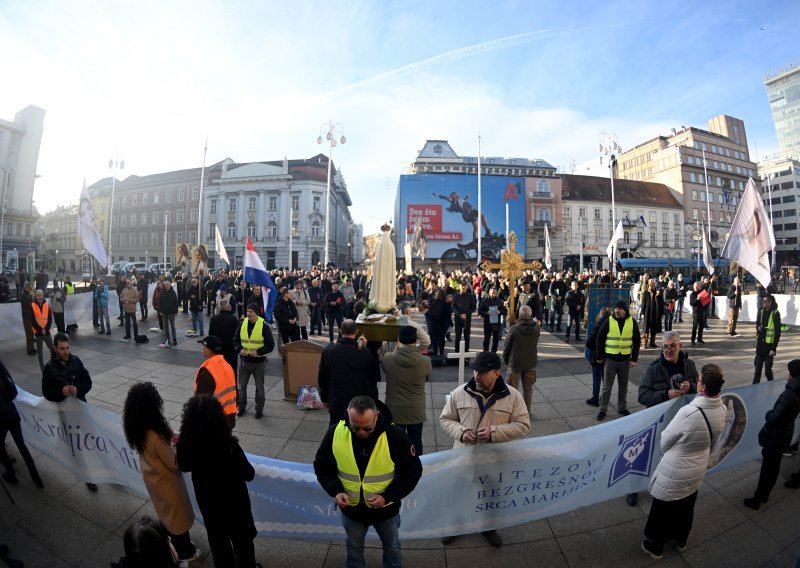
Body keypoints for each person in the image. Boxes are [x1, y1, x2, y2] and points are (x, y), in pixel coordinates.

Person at [314, 395, 422, 568]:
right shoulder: (335, 432)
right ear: (348, 416)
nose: (361, 433)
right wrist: (336, 491)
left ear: (377, 416)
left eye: (367, 428)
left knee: (392, 548)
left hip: (386, 511)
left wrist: (388, 496)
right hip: (352, 511)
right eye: (355, 427)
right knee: (354, 551)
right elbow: (322, 465)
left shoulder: (395, 436)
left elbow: (413, 471)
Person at [439, 351, 530, 547]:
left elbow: (523, 425)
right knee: (459, 493)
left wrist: (493, 432)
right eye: (475, 371)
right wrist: (462, 432)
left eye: (482, 372)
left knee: (492, 494)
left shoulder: (513, 396)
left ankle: (489, 527)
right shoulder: (459, 393)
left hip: (494, 461)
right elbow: (446, 419)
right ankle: (456, 525)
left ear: (496, 373)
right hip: (464, 458)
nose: (476, 376)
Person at [641, 363, 727, 560]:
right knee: (686, 506)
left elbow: (665, 441)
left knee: (662, 508)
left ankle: (656, 547)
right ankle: (680, 539)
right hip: (697, 468)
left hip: (676, 468)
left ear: (703, 387)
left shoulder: (689, 412)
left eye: (698, 380)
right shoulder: (722, 408)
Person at [176, 395, 260, 568]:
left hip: (209, 504)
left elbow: (184, 466)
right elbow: (249, 474)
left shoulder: (187, 442)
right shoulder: (229, 445)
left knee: (218, 544)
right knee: (242, 544)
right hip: (234, 505)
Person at [122, 383, 200, 564]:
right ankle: (184, 551)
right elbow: (174, 463)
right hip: (167, 482)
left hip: (153, 478)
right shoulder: (156, 433)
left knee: (165, 513)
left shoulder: (136, 426)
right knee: (177, 517)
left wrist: (171, 435)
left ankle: (172, 542)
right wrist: (179, 445)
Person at [41, 332, 97, 492]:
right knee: (76, 446)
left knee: (94, 438)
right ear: (55, 349)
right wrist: (61, 391)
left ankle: (111, 470)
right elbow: (46, 391)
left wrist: (78, 389)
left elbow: (88, 381)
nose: (66, 352)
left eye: (67, 348)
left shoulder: (76, 361)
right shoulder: (49, 368)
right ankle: (88, 477)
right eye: (62, 349)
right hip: (65, 414)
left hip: (80, 407)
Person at [743, 359, 800, 510]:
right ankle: (764, 494)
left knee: (768, 468)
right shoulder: (796, 391)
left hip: (777, 436)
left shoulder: (789, 394)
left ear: (793, 375)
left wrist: (768, 414)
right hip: (786, 433)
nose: (786, 373)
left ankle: (759, 498)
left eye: (788, 371)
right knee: (774, 465)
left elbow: (775, 417)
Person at [318, 319, 380, 427]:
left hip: (336, 400)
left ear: (341, 331)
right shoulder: (365, 353)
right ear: (356, 332)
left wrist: (324, 398)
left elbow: (322, 377)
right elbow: (374, 377)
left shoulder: (329, 351)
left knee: (335, 431)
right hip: (358, 404)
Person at [381, 326, 432, 454]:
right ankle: (416, 468)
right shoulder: (425, 361)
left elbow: (386, 369)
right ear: (416, 340)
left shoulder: (388, 359)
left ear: (398, 340)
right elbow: (426, 379)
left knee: (396, 444)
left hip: (394, 409)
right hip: (416, 409)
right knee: (416, 441)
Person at [0, 358, 44, 488]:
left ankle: (11, 473)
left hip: (1, 419)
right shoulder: (2, 370)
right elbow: (13, 392)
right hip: (12, 413)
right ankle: (36, 478)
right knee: (22, 446)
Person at [595, 300, 640, 421]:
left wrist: (634, 359)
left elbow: (637, 341)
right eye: (616, 308)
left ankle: (622, 408)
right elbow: (599, 337)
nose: (617, 310)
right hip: (610, 360)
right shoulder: (609, 320)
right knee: (606, 387)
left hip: (625, 360)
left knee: (623, 387)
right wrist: (599, 357)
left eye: (620, 308)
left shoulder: (632, 322)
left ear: (625, 310)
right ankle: (603, 409)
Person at [233, 303, 275, 419]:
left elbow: (271, 345)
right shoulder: (242, 324)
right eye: (248, 311)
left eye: (251, 311)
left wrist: (259, 351)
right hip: (244, 362)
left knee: (259, 388)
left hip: (258, 363)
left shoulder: (264, 326)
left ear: (256, 313)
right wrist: (239, 349)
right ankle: (241, 408)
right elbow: (235, 340)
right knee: (241, 387)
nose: (249, 313)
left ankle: (259, 409)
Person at [502, 305, 541, 414]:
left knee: (512, 390)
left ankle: (511, 412)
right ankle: (526, 412)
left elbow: (506, 347)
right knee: (528, 390)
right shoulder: (537, 327)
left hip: (515, 363)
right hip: (531, 362)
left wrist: (506, 361)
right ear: (530, 315)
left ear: (520, 315)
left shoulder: (514, 328)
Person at [195, 336, 237, 430]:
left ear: (208, 350)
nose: (203, 350)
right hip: (229, 417)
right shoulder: (228, 366)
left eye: (204, 347)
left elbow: (201, 402)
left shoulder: (206, 372)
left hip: (214, 422)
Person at [585, 307, 612, 407]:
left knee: (596, 379)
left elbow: (589, 342)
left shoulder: (598, 325)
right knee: (605, 380)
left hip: (597, 356)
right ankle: (604, 399)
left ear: (601, 314)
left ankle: (595, 399)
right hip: (608, 356)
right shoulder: (612, 326)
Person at [208, 299, 240, 382]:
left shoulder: (213, 319)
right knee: (232, 374)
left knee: (218, 375)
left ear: (219, 308)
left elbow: (210, 336)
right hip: (231, 352)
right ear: (228, 307)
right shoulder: (233, 320)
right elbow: (238, 335)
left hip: (217, 352)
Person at [753, 294, 781, 384]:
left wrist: (773, 348)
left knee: (767, 371)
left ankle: (771, 385)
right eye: (763, 301)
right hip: (760, 344)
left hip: (769, 346)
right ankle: (754, 389)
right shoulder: (761, 311)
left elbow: (777, 332)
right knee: (757, 371)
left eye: (765, 301)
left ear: (770, 303)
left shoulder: (775, 313)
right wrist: (758, 328)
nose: (763, 302)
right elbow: (757, 323)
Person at [31, 289, 55, 372]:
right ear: (36, 296)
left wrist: (46, 329)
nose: (40, 297)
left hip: (47, 332)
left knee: (53, 350)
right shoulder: (33, 305)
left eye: (41, 295)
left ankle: (54, 367)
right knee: (40, 355)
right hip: (38, 334)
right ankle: (43, 371)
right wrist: (40, 330)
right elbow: (32, 321)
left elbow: (50, 319)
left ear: (43, 296)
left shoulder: (46, 305)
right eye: (38, 295)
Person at [478, 287, 506, 353]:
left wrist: (500, 311)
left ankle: (493, 353)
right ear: (489, 293)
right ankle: (485, 353)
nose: (493, 294)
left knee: (496, 340)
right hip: (488, 323)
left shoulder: (499, 301)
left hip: (496, 323)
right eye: (492, 293)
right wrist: (486, 313)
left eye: (495, 293)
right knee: (486, 340)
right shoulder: (485, 301)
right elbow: (480, 310)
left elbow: (504, 310)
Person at [451, 281, 477, 352]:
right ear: (459, 287)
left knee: (467, 337)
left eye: (464, 286)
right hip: (458, 319)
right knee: (457, 337)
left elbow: (473, 307)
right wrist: (459, 314)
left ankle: (466, 352)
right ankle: (457, 352)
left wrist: (466, 314)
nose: (463, 287)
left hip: (467, 319)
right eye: (462, 286)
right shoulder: (456, 295)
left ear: (467, 287)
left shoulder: (470, 296)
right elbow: (453, 306)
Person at [640, 279, 663, 348]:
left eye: (652, 283)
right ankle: (644, 343)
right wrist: (642, 313)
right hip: (647, 313)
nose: (651, 285)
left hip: (655, 313)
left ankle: (652, 343)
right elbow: (643, 303)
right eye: (650, 283)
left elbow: (661, 303)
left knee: (654, 329)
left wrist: (662, 313)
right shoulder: (646, 292)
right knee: (645, 329)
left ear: (655, 284)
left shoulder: (658, 293)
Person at [158, 280, 179, 348]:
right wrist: (160, 311)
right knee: (166, 326)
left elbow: (176, 302)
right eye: (166, 285)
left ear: (170, 285)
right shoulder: (162, 292)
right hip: (164, 312)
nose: (167, 286)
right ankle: (167, 338)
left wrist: (176, 311)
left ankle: (174, 338)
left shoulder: (173, 293)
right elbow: (160, 302)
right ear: (164, 286)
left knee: (172, 326)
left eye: (168, 285)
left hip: (171, 312)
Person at [20, 281, 36, 355]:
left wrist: (32, 297)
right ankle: (29, 350)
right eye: (29, 288)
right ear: (26, 287)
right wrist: (31, 304)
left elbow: (32, 302)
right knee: (28, 334)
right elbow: (25, 307)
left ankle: (32, 348)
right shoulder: (23, 295)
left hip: (30, 316)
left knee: (32, 333)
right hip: (26, 317)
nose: (30, 289)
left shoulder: (28, 294)